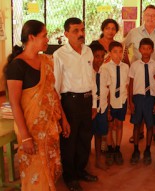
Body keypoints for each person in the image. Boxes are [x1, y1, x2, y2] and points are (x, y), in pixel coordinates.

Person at [4, 20, 70, 191]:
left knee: (51, 169)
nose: (48, 39)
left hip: (50, 128)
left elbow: (52, 93)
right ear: (31, 37)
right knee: (34, 175)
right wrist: (25, 137)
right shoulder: (17, 66)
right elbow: (14, 103)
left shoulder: (46, 61)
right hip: (30, 130)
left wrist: (63, 118)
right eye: (44, 35)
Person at [53, 17, 98, 191]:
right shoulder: (60, 55)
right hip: (69, 102)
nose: (81, 34)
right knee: (69, 141)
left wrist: (94, 103)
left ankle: (80, 170)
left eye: (82, 30)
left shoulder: (88, 51)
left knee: (85, 139)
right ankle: (70, 176)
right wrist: (61, 115)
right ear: (66, 34)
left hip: (87, 101)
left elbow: (92, 78)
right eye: (75, 31)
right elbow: (55, 88)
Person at [124, 4, 155, 143]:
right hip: (138, 71)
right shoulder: (134, 32)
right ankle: (139, 131)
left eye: (153, 15)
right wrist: (127, 64)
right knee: (140, 101)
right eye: (147, 15)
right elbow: (124, 48)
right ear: (143, 16)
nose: (150, 17)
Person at [128, 38, 155, 165]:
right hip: (138, 98)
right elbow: (130, 84)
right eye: (143, 48)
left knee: (150, 125)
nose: (146, 51)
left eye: (148, 48)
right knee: (136, 125)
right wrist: (131, 101)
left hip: (150, 98)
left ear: (152, 50)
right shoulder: (134, 65)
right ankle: (135, 149)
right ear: (139, 50)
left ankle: (147, 150)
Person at [102, 41, 129, 166]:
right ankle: (110, 149)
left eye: (120, 52)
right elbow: (106, 88)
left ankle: (117, 148)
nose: (118, 55)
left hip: (121, 100)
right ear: (110, 53)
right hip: (111, 102)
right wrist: (107, 107)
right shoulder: (105, 67)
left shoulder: (125, 67)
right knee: (109, 126)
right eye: (115, 52)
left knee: (119, 125)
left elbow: (126, 85)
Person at [89, 43, 110, 170]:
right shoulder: (87, 72)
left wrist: (108, 110)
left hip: (102, 108)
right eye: (97, 56)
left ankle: (98, 159)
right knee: (87, 136)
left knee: (99, 135)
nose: (100, 59)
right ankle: (85, 161)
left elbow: (107, 90)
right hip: (90, 109)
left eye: (102, 56)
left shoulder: (105, 72)